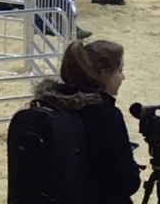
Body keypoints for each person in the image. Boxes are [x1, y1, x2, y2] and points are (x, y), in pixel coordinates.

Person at [31, 40, 140, 204]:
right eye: (119, 70)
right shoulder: (105, 115)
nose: (123, 77)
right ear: (103, 73)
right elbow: (128, 182)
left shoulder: (50, 105)